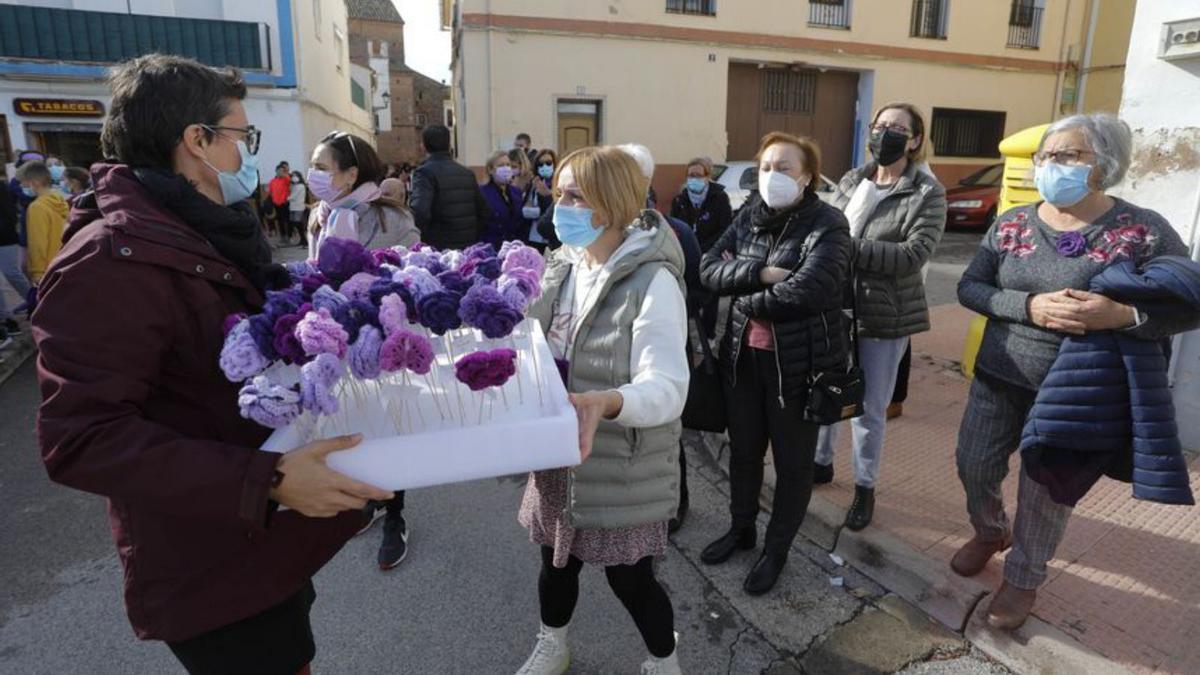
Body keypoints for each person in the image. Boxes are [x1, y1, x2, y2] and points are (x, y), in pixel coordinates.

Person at [32, 54, 394, 675]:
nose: (244, 155)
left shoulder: (194, 231)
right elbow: (81, 439)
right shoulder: (109, 261)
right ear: (196, 142)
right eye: (240, 137)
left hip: (256, 540)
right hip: (209, 561)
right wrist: (268, 479)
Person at [951, 113, 1198, 631]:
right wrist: (1029, 306)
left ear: (1102, 163)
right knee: (974, 464)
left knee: (1046, 491)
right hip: (1000, 375)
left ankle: (1023, 577)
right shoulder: (1013, 222)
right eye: (1045, 156)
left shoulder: (1142, 230)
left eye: (1066, 155)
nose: (1049, 165)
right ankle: (991, 528)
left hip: (1079, 392)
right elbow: (971, 287)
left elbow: (1190, 303)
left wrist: (1127, 315)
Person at [517, 145, 688, 675]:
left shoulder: (652, 281)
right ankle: (554, 643)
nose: (558, 204)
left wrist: (608, 401)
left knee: (631, 581)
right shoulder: (563, 266)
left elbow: (667, 388)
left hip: (620, 464)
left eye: (573, 195)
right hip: (557, 453)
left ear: (611, 205)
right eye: (558, 191)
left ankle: (664, 659)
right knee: (555, 566)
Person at [699, 132, 852, 595]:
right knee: (743, 452)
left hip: (799, 367)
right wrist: (760, 273)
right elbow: (707, 269)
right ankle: (742, 528)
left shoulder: (830, 223)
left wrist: (741, 292)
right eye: (765, 167)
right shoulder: (748, 216)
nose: (772, 176)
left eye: (784, 168)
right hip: (742, 358)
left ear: (807, 177)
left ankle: (775, 550)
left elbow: (810, 290)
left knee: (792, 465)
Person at [813, 102, 947, 531]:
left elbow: (913, 255)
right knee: (829, 389)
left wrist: (847, 248)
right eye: (880, 125)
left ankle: (865, 488)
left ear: (914, 140)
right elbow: (825, 227)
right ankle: (820, 463)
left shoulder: (927, 192)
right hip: (836, 308)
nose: (885, 132)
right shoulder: (854, 180)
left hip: (885, 315)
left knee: (869, 408)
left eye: (897, 127)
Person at [306, 131, 420, 261]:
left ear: (351, 175)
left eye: (321, 168)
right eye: (312, 166)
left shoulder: (394, 219)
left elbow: (412, 272)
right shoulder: (318, 215)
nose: (312, 174)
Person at [669, 155, 733, 336]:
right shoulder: (680, 200)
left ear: (707, 176)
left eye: (698, 175)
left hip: (710, 254)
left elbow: (725, 229)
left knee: (710, 296)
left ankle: (708, 335)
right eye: (690, 175)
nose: (693, 179)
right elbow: (673, 227)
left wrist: (705, 249)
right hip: (685, 255)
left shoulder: (719, 198)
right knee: (685, 294)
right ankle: (683, 334)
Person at [409, 124, 488, 250]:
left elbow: (420, 211)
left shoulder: (424, 173)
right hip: (467, 246)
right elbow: (483, 211)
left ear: (424, 146)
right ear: (448, 144)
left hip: (439, 247)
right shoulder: (467, 173)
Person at [15, 161, 69, 284]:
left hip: (47, 270)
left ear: (35, 182)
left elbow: (37, 242)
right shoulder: (60, 200)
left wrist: (37, 272)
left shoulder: (37, 207)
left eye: (23, 183)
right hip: (63, 262)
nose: (22, 187)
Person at [0, 172, 30, 341]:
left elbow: (9, 214)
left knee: (12, 273)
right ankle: (5, 320)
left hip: (5, 239)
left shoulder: (1, 187)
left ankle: (36, 302)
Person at [479, 150, 527, 248]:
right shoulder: (482, 193)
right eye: (501, 165)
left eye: (508, 165)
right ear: (490, 170)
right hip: (493, 247)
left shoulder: (516, 192)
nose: (506, 168)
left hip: (515, 247)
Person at [523, 149, 557, 252]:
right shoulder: (532, 184)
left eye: (548, 163)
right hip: (535, 238)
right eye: (540, 164)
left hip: (553, 237)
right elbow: (525, 210)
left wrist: (547, 195)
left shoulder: (559, 183)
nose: (545, 167)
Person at [268, 162, 292, 243]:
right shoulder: (272, 181)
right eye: (279, 171)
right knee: (280, 221)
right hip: (276, 204)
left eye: (282, 171)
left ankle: (289, 236)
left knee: (287, 220)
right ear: (276, 171)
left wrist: (285, 174)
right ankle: (283, 236)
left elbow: (290, 182)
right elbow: (271, 192)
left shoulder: (286, 179)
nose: (280, 172)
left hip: (285, 203)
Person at [287, 170, 310, 248]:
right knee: (294, 223)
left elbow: (293, 196)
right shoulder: (293, 186)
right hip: (292, 207)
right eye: (292, 176)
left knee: (298, 224)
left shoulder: (301, 186)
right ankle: (302, 240)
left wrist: (285, 198)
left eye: (295, 176)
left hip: (298, 207)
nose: (293, 177)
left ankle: (304, 241)